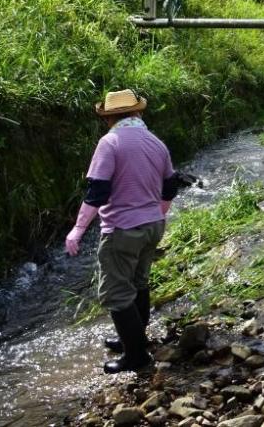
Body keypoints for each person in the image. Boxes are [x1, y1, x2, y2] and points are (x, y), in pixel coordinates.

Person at [64, 89, 180, 374]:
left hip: (123, 229)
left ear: (109, 118)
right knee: (139, 283)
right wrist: (156, 212)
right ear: (137, 113)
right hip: (154, 226)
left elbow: (97, 192)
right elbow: (171, 187)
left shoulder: (110, 142)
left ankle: (136, 356)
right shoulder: (156, 143)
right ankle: (134, 338)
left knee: (117, 294)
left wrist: (77, 230)